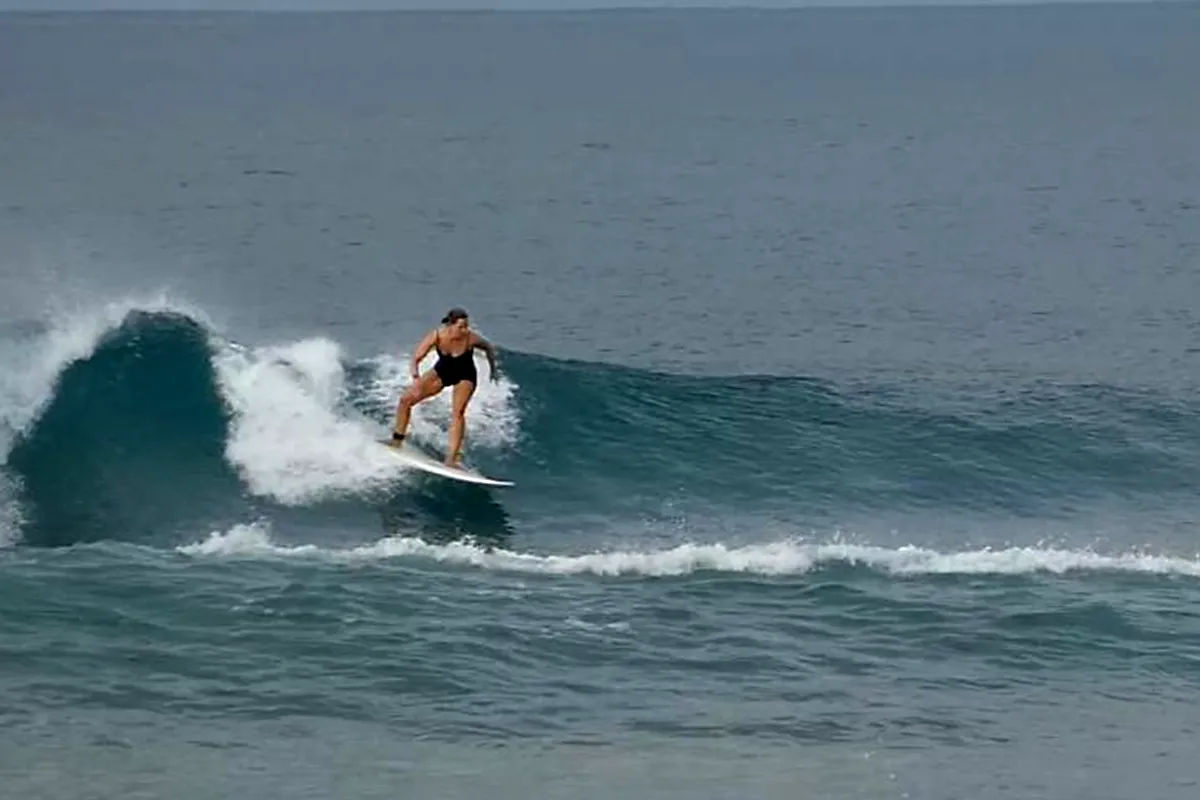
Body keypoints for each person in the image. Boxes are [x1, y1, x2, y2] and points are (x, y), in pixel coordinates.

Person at [390, 307, 497, 467]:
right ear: (450, 325)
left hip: (465, 375)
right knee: (405, 400)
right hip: (441, 372)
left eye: (466, 326)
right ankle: (397, 440)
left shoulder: (470, 338)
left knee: (457, 413)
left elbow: (488, 347)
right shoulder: (437, 336)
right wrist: (416, 377)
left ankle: (451, 459)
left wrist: (493, 370)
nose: (465, 330)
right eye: (461, 326)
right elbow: (416, 358)